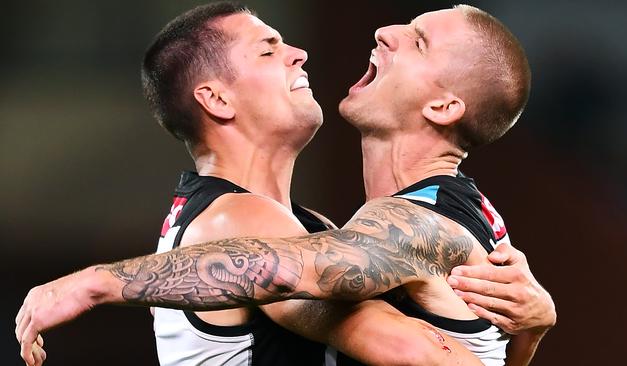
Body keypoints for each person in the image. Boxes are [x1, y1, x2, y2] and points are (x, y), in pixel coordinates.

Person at [16, 3, 556, 366]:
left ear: (444, 106)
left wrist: (529, 331)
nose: (299, 53)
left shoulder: (368, 226)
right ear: (217, 99)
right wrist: (94, 282)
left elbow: (318, 270)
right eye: (269, 50)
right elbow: (421, 350)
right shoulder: (238, 219)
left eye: (416, 42)